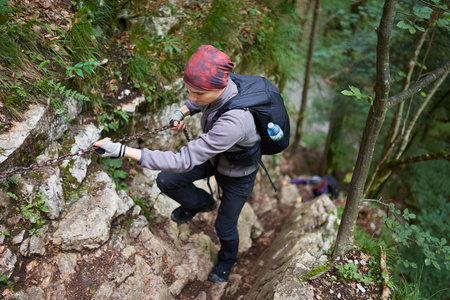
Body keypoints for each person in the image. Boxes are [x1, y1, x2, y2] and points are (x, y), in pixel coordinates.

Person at [93, 45, 274, 283]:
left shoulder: (235, 122)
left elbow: (183, 160)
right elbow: (202, 101)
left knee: (224, 226)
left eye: (196, 93)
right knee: (167, 180)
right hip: (213, 158)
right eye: (189, 91)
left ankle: (227, 262)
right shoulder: (222, 87)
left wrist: (124, 151)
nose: (191, 97)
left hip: (238, 173)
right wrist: (182, 111)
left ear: (217, 88)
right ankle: (201, 203)